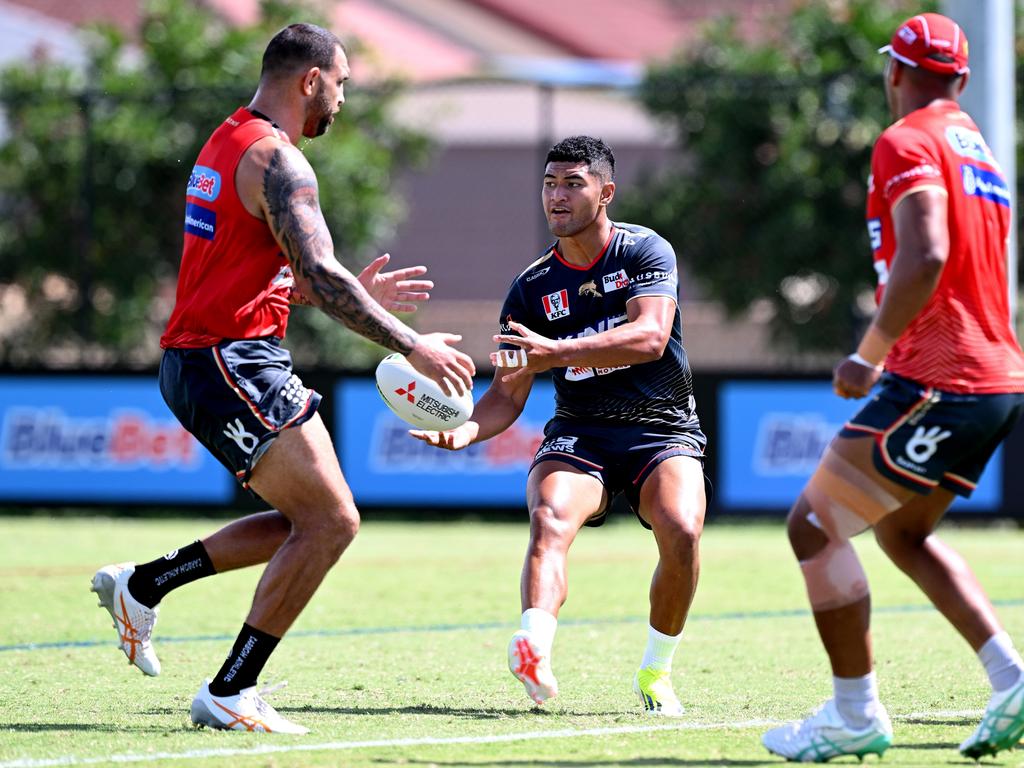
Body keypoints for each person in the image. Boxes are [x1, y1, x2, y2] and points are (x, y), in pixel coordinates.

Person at [90, 23, 475, 734]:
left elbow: (264, 271)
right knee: (332, 520)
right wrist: (412, 344)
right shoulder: (281, 161)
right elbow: (319, 273)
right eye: (343, 84)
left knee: (310, 520)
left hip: (212, 358)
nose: (343, 99)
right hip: (227, 360)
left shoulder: (227, 138)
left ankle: (145, 584)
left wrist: (335, 293)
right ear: (311, 79)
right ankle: (231, 690)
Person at [761, 13, 1024, 762]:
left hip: (941, 378)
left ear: (895, 73)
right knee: (904, 532)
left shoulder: (905, 140)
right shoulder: (983, 156)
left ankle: (854, 712)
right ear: (964, 81)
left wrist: (869, 353)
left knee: (813, 527)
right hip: (999, 375)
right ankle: (1010, 678)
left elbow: (926, 254)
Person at [411, 136, 707, 715]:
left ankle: (655, 672)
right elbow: (507, 392)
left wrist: (553, 351)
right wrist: (468, 429)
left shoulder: (645, 252)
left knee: (683, 531)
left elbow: (649, 339)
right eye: (550, 184)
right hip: (582, 430)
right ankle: (534, 648)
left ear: (606, 192)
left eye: (573, 183)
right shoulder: (530, 289)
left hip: (663, 426)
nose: (557, 196)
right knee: (548, 521)